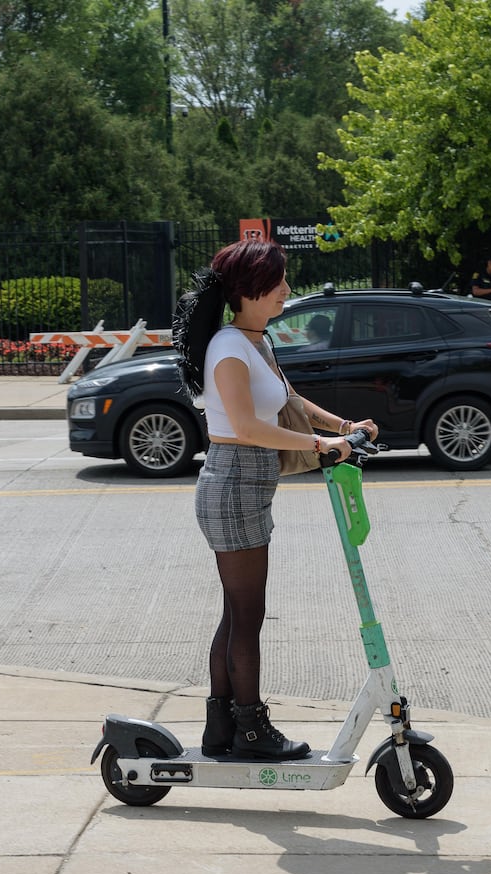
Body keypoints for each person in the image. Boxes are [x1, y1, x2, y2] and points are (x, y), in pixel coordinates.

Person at [173, 239, 379, 761]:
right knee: (247, 616)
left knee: (237, 613)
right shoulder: (228, 348)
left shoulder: (253, 340)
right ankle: (250, 729)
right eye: (279, 281)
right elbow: (245, 427)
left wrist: (342, 426)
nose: (288, 289)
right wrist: (318, 445)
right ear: (249, 291)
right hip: (232, 486)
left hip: (250, 487)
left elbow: (287, 400)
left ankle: (221, 727)